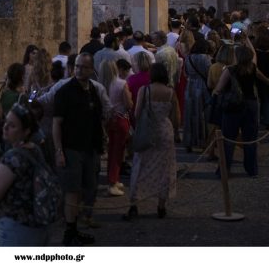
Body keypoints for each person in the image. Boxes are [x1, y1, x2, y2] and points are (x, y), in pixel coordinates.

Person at [52, 52, 111, 246]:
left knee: (87, 188)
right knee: (72, 190)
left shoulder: (93, 89)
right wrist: (59, 151)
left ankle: (77, 226)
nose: (79, 70)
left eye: (83, 67)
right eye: (77, 66)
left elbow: (97, 116)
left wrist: (101, 138)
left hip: (90, 148)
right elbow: (57, 123)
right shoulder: (65, 92)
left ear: (91, 69)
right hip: (71, 148)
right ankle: (70, 231)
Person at [0, 104, 50, 246]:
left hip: (16, 227)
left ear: (26, 131)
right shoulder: (35, 149)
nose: (6, 127)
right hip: (37, 223)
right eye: (6, 122)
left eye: (13, 126)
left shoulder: (13, 158)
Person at [123, 63, 180, 220]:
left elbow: (137, 112)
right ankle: (161, 206)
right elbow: (176, 117)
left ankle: (134, 204)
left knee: (140, 166)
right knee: (164, 170)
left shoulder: (145, 90)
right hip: (165, 131)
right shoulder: (171, 92)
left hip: (147, 132)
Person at [215, 41, 269, 176]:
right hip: (251, 104)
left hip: (233, 106)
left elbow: (218, 89)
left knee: (228, 139)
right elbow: (266, 80)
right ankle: (252, 169)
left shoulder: (230, 70)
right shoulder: (253, 68)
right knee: (250, 139)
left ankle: (224, 170)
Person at [100, 60, 132, 196]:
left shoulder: (100, 85)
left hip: (108, 121)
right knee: (118, 152)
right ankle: (112, 182)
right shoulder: (121, 84)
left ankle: (113, 178)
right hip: (120, 119)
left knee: (112, 150)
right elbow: (128, 104)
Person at [183, 40, 212, 153]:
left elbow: (185, 73)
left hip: (190, 86)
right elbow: (208, 73)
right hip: (202, 87)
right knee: (202, 114)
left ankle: (189, 142)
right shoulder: (206, 58)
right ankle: (203, 141)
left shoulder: (188, 58)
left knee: (189, 114)